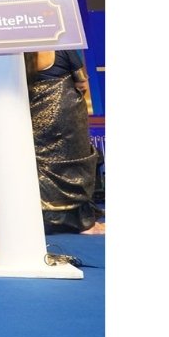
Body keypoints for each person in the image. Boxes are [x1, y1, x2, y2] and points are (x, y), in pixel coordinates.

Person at [25, 49, 104, 235]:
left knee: (42, 164)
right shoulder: (64, 48)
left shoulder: (19, 52)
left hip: (34, 114)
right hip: (67, 113)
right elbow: (81, 82)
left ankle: (37, 220)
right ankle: (84, 223)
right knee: (76, 164)